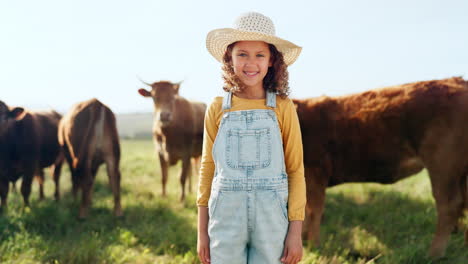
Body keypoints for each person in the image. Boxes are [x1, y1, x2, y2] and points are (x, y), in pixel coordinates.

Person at [197, 12, 306, 264]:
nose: (250, 63)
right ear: (229, 58)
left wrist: (295, 232)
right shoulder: (216, 108)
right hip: (224, 217)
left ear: (271, 61)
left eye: (260, 55)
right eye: (242, 54)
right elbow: (207, 169)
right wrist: (202, 231)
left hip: (272, 219)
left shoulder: (282, 107)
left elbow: (295, 170)